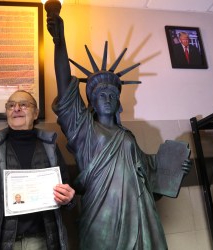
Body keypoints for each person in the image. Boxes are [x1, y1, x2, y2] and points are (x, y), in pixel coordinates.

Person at [47, 13, 191, 250]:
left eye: (112, 95)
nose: (107, 98)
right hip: (101, 211)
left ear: (118, 102)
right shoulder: (83, 128)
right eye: (101, 95)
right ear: (92, 101)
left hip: (139, 211)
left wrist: (178, 169)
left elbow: (151, 173)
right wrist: (59, 42)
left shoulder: (127, 136)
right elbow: (64, 86)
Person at [0, 90, 75, 250]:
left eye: (24, 105)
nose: (16, 108)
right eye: (11, 105)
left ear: (35, 113)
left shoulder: (50, 147)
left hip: (42, 242)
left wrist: (68, 198)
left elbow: (65, 194)